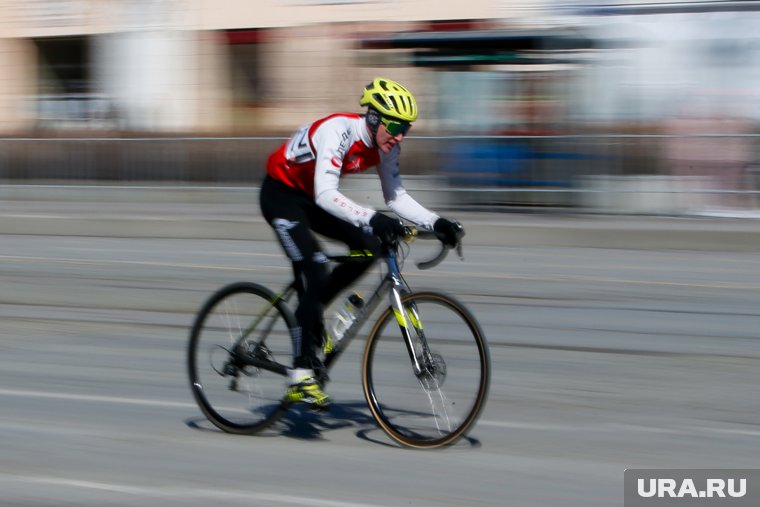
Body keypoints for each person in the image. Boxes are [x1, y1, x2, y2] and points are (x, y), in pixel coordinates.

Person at [259, 77, 463, 410]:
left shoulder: (387, 146)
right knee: (317, 266)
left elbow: (395, 196)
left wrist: (436, 222)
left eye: (405, 129)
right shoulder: (337, 131)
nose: (399, 136)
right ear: (373, 118)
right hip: (280, 196)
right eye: (395, 126)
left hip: (309, 198)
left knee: (371, 247)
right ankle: (300, 375)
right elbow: (327, 193)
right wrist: (373, 217)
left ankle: (312, 313)